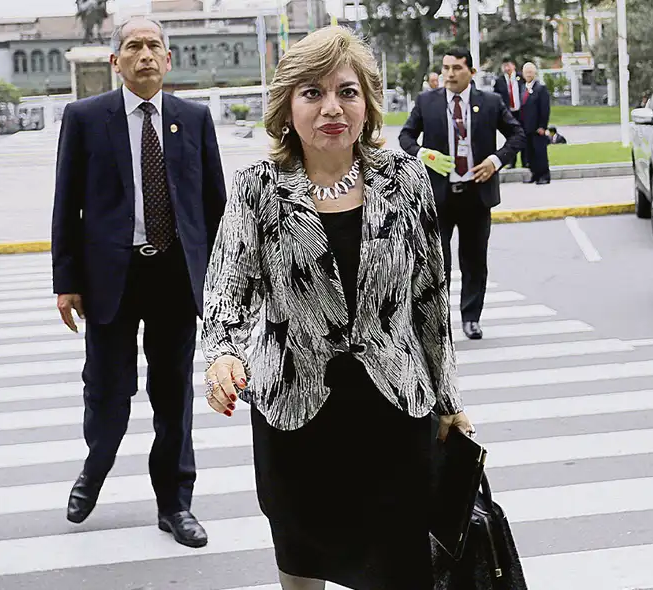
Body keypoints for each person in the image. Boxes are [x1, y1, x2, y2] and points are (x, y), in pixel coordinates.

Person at [200, 26, 474, 590]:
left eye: (347, 92)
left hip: (394, 410)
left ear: (368, 103)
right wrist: (222, 357)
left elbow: (430, 302)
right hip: (298, 416)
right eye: (313, 93)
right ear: (287, 106)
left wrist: (448, 402)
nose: (332, 108)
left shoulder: (405, 180)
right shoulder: (258, 186)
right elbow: (227, 287)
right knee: (304, 567)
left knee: (402, 567)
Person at [50, 16, 227, 548]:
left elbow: (214, 205)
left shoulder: (193, 119)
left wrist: (223, 278)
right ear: (116, 61)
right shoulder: (85, 118)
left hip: (175, 273)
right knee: (108, 391)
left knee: (173, 393)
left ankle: (175, 504)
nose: (145, 54)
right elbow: (66, 204)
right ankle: (96, 466)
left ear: (168, 60)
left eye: (154, 46)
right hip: (111, 276)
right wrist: (66, 280)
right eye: (134, 47)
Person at [398, 47, 525, 340]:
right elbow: (406, 136)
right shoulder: (427, 102)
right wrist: (423, 154)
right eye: (446, 68)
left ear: (471, 72)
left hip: (475, 195)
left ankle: (471, 318)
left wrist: (495, 161)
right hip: (439, 196)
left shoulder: (490, 102)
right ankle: (437, 321)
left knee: (474, 260)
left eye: (456, 68)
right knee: (437, 262)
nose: (450, 74)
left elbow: (517, 135)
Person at [520, 62, 552, 185]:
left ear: (535, 73)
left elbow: (545, 109)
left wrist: (542, 126)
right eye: (526, 72)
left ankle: (544, 175)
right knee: (530, 153)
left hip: (537, 127)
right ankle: (534, 174)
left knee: (540, 152)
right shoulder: (523, 88)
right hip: (526, 127)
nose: (528, 74)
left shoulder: (540, 88)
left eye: (530, 72)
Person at [492, 57, 524, 168]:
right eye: (504, 66)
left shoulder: (521, 78)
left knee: (524, 136)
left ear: (513, 66)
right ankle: (511, 161)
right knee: (511, 138)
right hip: (508, 113)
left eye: (508, 65)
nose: (507, 68)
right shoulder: (499, 81)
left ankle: (526, 161)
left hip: (521, 111)